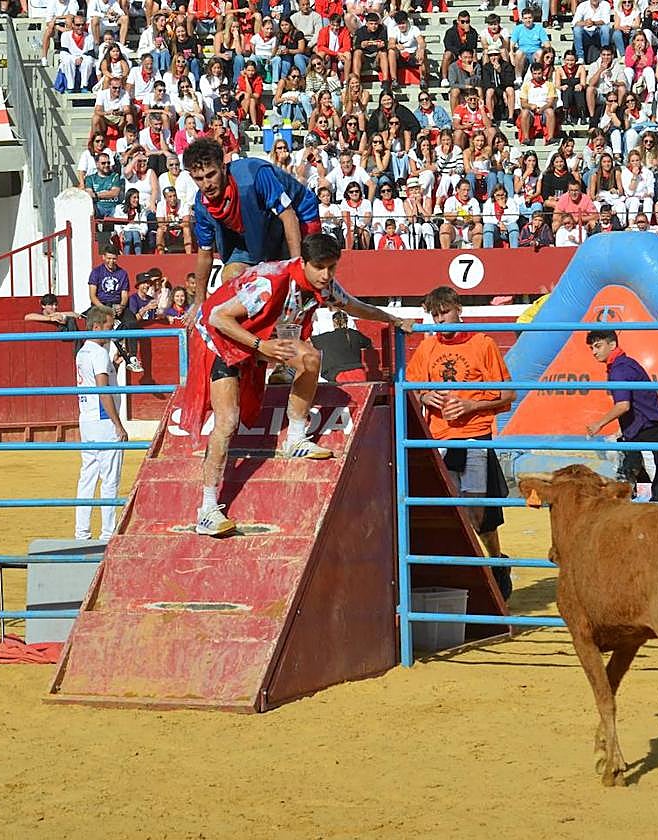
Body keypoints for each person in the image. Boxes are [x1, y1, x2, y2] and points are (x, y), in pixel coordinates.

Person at [180, 234, 415, 536]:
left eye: (332, 267)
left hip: (258, 339)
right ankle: (207, 510)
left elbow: (355, 307)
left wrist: (393, 319)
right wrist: (261, 346)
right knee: (227, 422)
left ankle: (295, 438)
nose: (326, 275)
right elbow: (217, 317)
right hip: (219, 341)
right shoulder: (269, 283)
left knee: (310, 358)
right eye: (320, 267)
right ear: (303, 262)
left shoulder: (323, 285)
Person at [406, 286, 515, 600]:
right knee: (447, 513)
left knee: (479, 514)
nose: (440, 320)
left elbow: (508, 394)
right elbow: (411, 387)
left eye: (444, 312)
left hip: (474, 436)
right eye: (435, 315)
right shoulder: (427, 347)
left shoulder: (483, 344)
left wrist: (470, 406)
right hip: (439, 440)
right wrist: (425, 396)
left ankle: (496, 562)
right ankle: (470, 573)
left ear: (458, 309)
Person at [184, 137, 321, 324]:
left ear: (223, 167)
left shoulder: (254, 174)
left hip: (298, 215)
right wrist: (199, 301)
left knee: (304, 277)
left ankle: (309, 318)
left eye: (211, 175)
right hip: (251, 229)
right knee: (231, 276)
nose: (206, 184)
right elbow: (204, 254)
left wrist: (297, 267)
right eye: (199, 179)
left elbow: (289, 216)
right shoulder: (201, 206)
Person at [583, 329, 658, 503]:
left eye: (598, 346)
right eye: (592, 348)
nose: (594, 352)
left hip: (646, 425)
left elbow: (623, 405)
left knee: (640, 470)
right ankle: (657, 499)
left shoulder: (619, 370)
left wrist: (599, 424)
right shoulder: (626, 364)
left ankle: (653, 500)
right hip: (645, 424)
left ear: (612, 345)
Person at [74, 305, 129, 542]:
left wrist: (113, 366)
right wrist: (119, 424)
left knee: (88, 476)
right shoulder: (98, 353)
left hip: (87, 419)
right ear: (97, 327)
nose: (111, 330)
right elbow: (102, 389)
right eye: (109, 325)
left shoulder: (83, 351)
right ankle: (107, 534)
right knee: (110, 478)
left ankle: (82, 532)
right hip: (104, 421)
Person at [86, 245, 143, 372]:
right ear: (103, 257)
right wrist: (105, 309)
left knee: (132, 320)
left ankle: (132, 357)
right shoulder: (96, 272)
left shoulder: (122, 273)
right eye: (109, 258)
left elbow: (124, 295)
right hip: (101, 305)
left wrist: (121, 306)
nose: (111, 261)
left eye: (114, 259)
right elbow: (92, 296)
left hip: (117, 305)